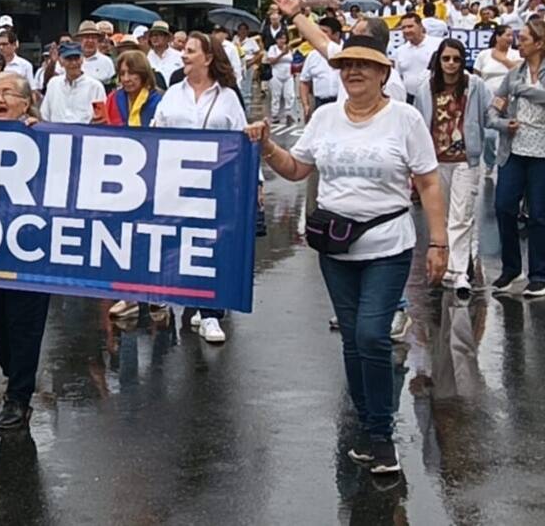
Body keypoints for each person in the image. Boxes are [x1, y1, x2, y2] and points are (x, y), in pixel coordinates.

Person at [247, 32, 447, 476]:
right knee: (355, 340)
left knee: (374, 335)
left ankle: (381, 435)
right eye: (346, 65)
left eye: (365, 65)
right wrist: (267, 148)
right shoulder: (324, 118)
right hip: (336, 247)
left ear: (383, 73)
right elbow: (298, 169)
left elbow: (429, 181)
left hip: (388, 245)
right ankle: (366, 423)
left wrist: (439, 241)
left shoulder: (405, 119)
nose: (354, 72)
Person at [153, 31, 246, 344]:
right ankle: (191, 302)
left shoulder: (228, 97)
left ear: (208, 58)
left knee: (211, 246)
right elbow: (156, 133)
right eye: (184, 50)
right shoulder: (172, 94)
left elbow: (243, 140)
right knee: (182, 245)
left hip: (217, 186)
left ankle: (210, 314)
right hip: (176, 185)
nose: (184, 55)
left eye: (191, 50)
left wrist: (254, 183)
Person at [0, 71, 50, 431]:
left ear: (25, 102)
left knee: (25, 323)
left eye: (7, 92)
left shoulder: (42, 136)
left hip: (31, 249)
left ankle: (18, 397)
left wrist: (45, 135)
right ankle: (13, 372)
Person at [412, 38, 492, 300]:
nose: (451, 64)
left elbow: (487, 114)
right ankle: (443, 265)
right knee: (441, 216)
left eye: (456, 59)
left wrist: (502, 125)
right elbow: (418, 123)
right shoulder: (426, 88)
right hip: (435, 161)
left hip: (465, 160)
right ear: (439, 60)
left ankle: (459, 271)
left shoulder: (474, 85)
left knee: (462, 215)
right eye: (446, 59)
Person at [104, 51, 167, 320]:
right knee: (124, 235)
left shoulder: (159, 100)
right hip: (121, 176)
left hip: (154, 176)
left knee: (153, 236)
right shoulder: (113, 99)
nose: (127, 79)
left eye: (132, 73)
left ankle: (158, 293)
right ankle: (128, 293)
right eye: (123, 74)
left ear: (144, 74)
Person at [490, 18, 545, 298]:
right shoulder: (512, 75)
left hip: (542, 154)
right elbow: (493, 111)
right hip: (513, 151)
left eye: (523, 39)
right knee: (503, 207)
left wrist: (523, 89)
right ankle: (511, 269)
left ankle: (539, 274)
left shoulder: (519, 81)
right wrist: (502, 125)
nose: (517, 43)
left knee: (538, 215)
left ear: (539, 43)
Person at [474, 25, 520, 178]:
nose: (510, 38)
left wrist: (503, 59)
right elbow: (477, 78)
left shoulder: (516, 54)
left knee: (509, 134)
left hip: (511, 102)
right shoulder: (484, 55)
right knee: (489, 136)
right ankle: (489, 162)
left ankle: (506, 165)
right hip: (489, 102)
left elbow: (520, 71)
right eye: (507, 35)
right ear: (497, 37)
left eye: (512, 35)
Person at [40, 41, 106, 124]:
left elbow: (101, 120)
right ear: (60, 61)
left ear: (82, 59)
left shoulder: (96, 87)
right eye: (69, 59)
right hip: (57, 134)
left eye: (76, 58)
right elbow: (45, 116)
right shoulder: (53, 84)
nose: (73, 63)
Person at [393, 13, 443, 103]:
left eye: (410, 26)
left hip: (435, 97)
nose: (406, 30)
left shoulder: (438, 45)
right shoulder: (399, 51)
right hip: (409, 99)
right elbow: (398, 77)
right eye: (403, 28)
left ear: (420, 26)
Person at [267, 31, 296, 124]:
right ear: (276, 40)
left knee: (289, 94)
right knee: (276, 95)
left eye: (284, 38)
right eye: (280, 39)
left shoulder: (289, 48)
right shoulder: (273, 49)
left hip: (288, 74)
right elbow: (271, 61)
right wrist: (282, 54)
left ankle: (288, 113)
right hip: (276, 74)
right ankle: (275, 114)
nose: (282, 41)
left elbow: (292, 60)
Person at [144, 21, 184, 87]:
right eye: (153, 35)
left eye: (159, 35)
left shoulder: (179, 57)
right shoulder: (146, 58)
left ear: (167, 38)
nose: (155, 38)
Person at [75, 20, 115, 84]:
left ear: (98, 40)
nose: (90, 41)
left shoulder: (107, 62)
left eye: (93, 37)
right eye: (87, 37)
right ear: (80, 40)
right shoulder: (71, 60)